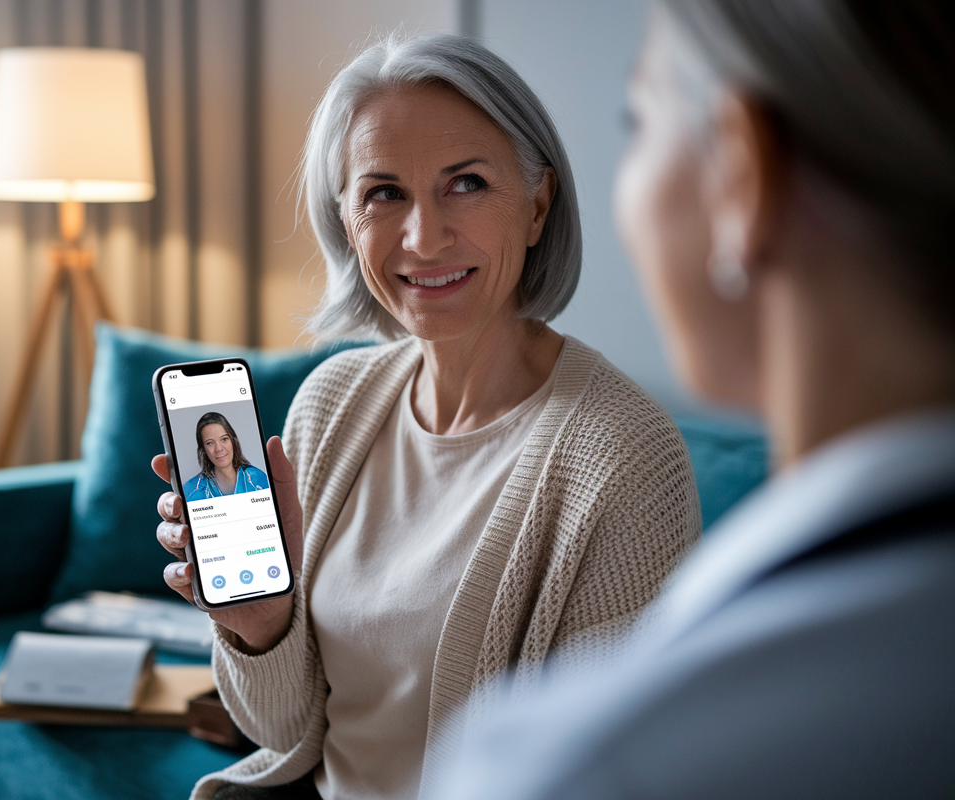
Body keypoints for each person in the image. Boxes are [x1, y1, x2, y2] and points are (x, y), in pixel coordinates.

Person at [153, 34, 702, 800]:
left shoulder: (624, 457)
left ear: (538, 204)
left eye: (467, 183)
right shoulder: (331, 403)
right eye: (384, 193)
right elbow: (279, 731)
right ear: (347, 221)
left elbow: (603, 773)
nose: (423, 236)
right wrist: (260, 625)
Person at [429, 2, 955, 798]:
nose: (423, 237)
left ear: (743, 172)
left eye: (637, 120)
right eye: (379, 193)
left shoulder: (576, 764)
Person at [183, 412, 270, 501]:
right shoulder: (192, 491)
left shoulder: (257, 479)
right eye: (209, 443)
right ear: (203, 449)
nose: (218, 449)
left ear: (233, 441)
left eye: (224, 439)